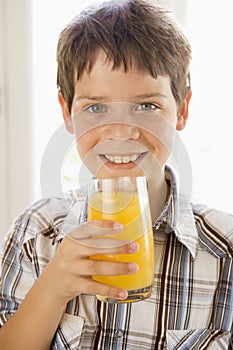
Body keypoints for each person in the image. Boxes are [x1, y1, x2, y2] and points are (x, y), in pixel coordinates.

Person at [0, 0, 233, 349]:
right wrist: (53, 287)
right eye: (96, 108)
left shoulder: (225, 254)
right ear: (67, 113)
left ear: (181, 109)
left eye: (147, 106)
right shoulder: (37, 233)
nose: (121, 132)